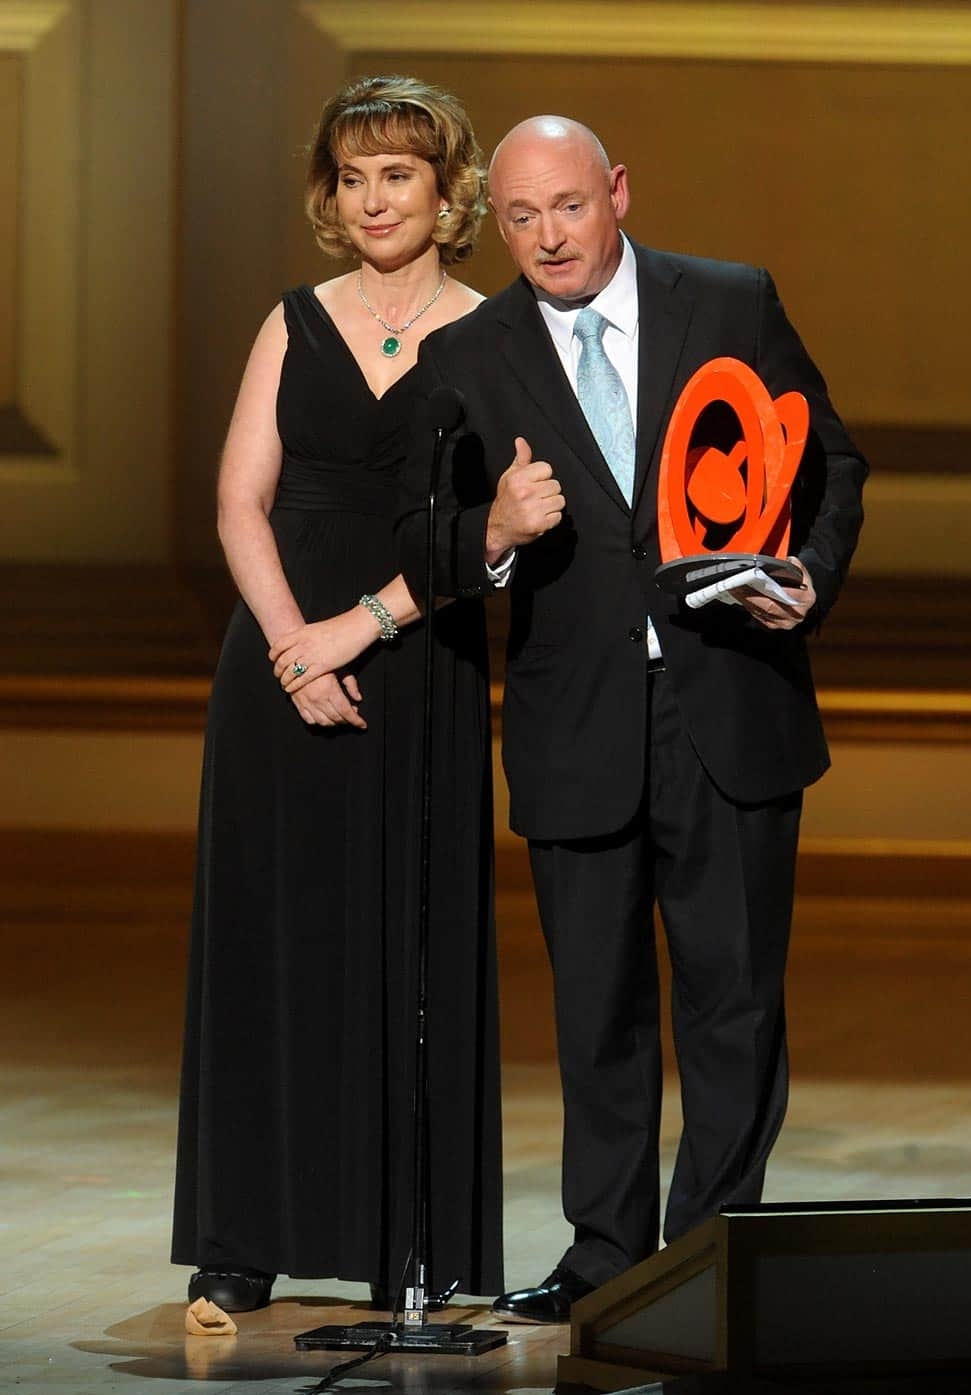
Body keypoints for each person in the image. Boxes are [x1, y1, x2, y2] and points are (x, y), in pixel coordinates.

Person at [397, 115, 867, 1323]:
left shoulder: (730, 301)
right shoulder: (470, 351)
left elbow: (832, 463)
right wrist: (492, 531)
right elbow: (421, 540)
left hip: (730, 704)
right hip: (577, 724)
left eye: (566, 205)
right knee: (597, 1007)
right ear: (493, 223)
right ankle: (606, 1256)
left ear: (614, 192)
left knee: (732, 997)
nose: (547, 236)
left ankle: (711, 1256)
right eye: (518, 216)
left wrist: (806, 573)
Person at [171, 76, 503, 1314]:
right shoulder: (292, 320)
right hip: (276, 669)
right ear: (331, 194)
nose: (373, 199)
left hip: (419, 667)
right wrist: (292, 651)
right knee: (270, 948)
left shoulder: (494, 332)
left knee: (407, 949)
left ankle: (403, 1245)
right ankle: (239, 1243)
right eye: (353, 176)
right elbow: (235, 502)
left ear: (445, 191)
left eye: (398, 174)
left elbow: (492, 532)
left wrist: (358, 632)